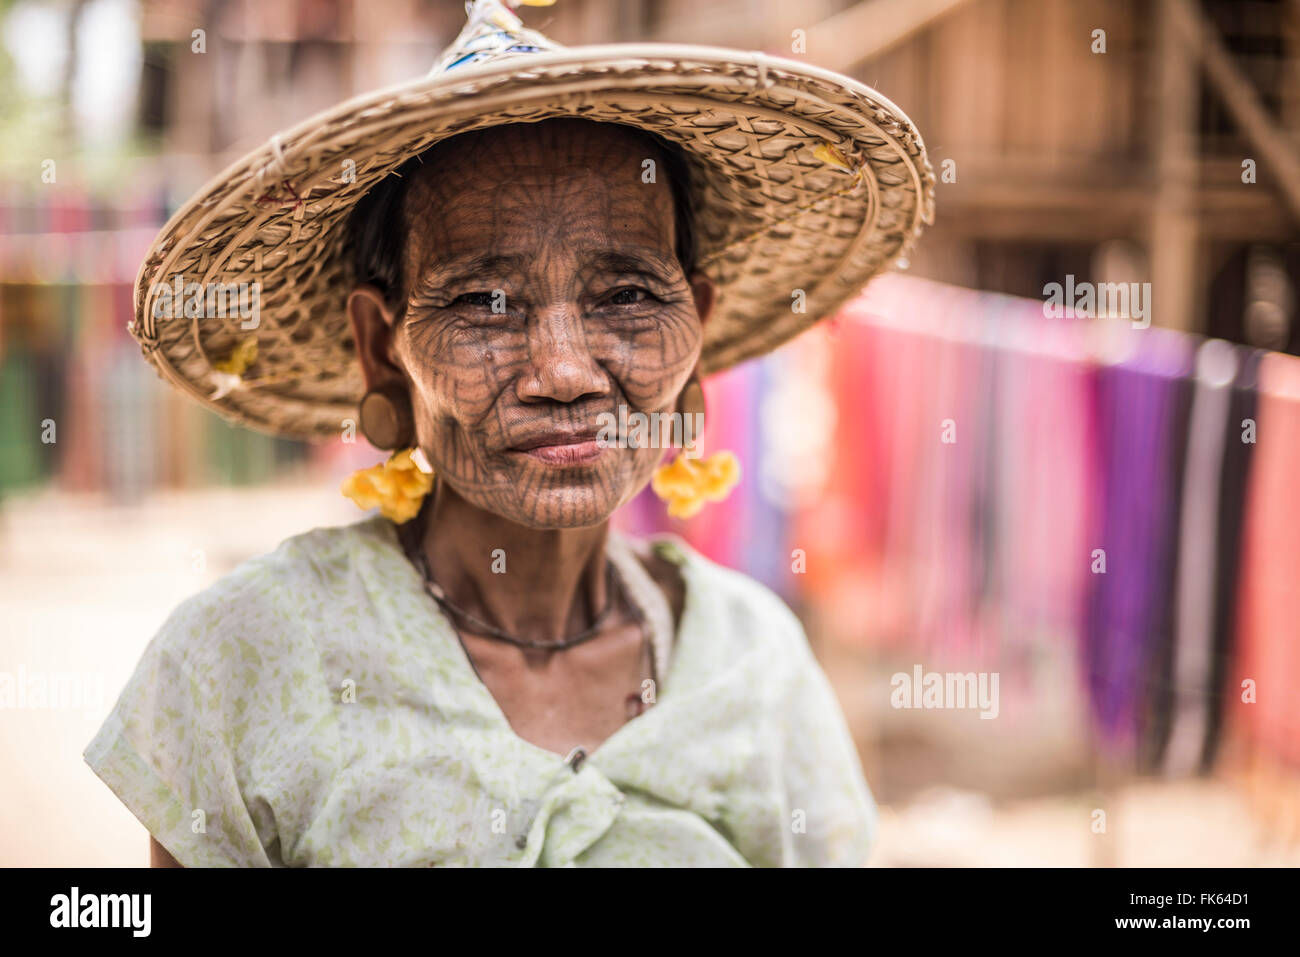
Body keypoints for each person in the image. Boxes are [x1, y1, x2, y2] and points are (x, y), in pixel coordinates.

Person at [85, 0, 933, 867]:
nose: (564, 372)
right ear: (383, 348)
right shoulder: (249, 657)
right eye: (484, 304)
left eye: (628, 296)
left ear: (698, 332)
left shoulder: (757, 664)